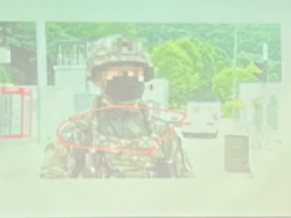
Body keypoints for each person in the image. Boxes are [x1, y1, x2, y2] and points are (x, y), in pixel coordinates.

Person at [41, 34, 193, 179]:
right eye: (119, 71)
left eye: (136, 71)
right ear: (97, 78)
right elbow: (51, 190)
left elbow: (187, 189)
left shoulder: (164, 133)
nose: (129, 78)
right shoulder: (75, 132)